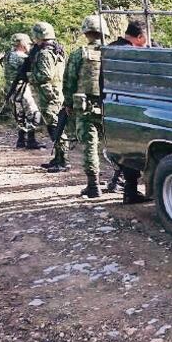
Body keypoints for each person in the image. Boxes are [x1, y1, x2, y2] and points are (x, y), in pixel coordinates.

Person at [64, 15, 107, 198]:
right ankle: (120, 180)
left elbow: (69, 81)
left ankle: (93, 185)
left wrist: (68, 103)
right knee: (115, 144)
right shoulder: (113, 52)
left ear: (86, 32)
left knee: (90, 144)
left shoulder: (79, 53)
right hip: (110, 104)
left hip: (86, 106)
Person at [108, 19, 150, 203]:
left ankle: (129, 190)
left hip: (113, 104)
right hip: (132, 106)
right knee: (133, 148)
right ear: (140, 37)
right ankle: (131, 191)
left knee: (125, 147)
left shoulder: (111, 48)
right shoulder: (132, 53)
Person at [27, 22, 69, 172]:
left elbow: (45, 75)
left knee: (55, 127)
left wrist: (30, 76)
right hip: (55, 92)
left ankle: (63, 160)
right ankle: (58, 157)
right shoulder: (56, 50)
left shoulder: (45, 53)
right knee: (54, 125)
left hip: (50, 94)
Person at [0, 33, 43, 149]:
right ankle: (31, 140)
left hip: (13, 89)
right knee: (34, 113)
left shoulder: (8, 55)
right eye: (27, 44)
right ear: (22, 44)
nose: (29, 46)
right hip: (21, 88)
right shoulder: (19, 56)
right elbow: (33, 69)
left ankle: (21, 140)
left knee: (20, 114)